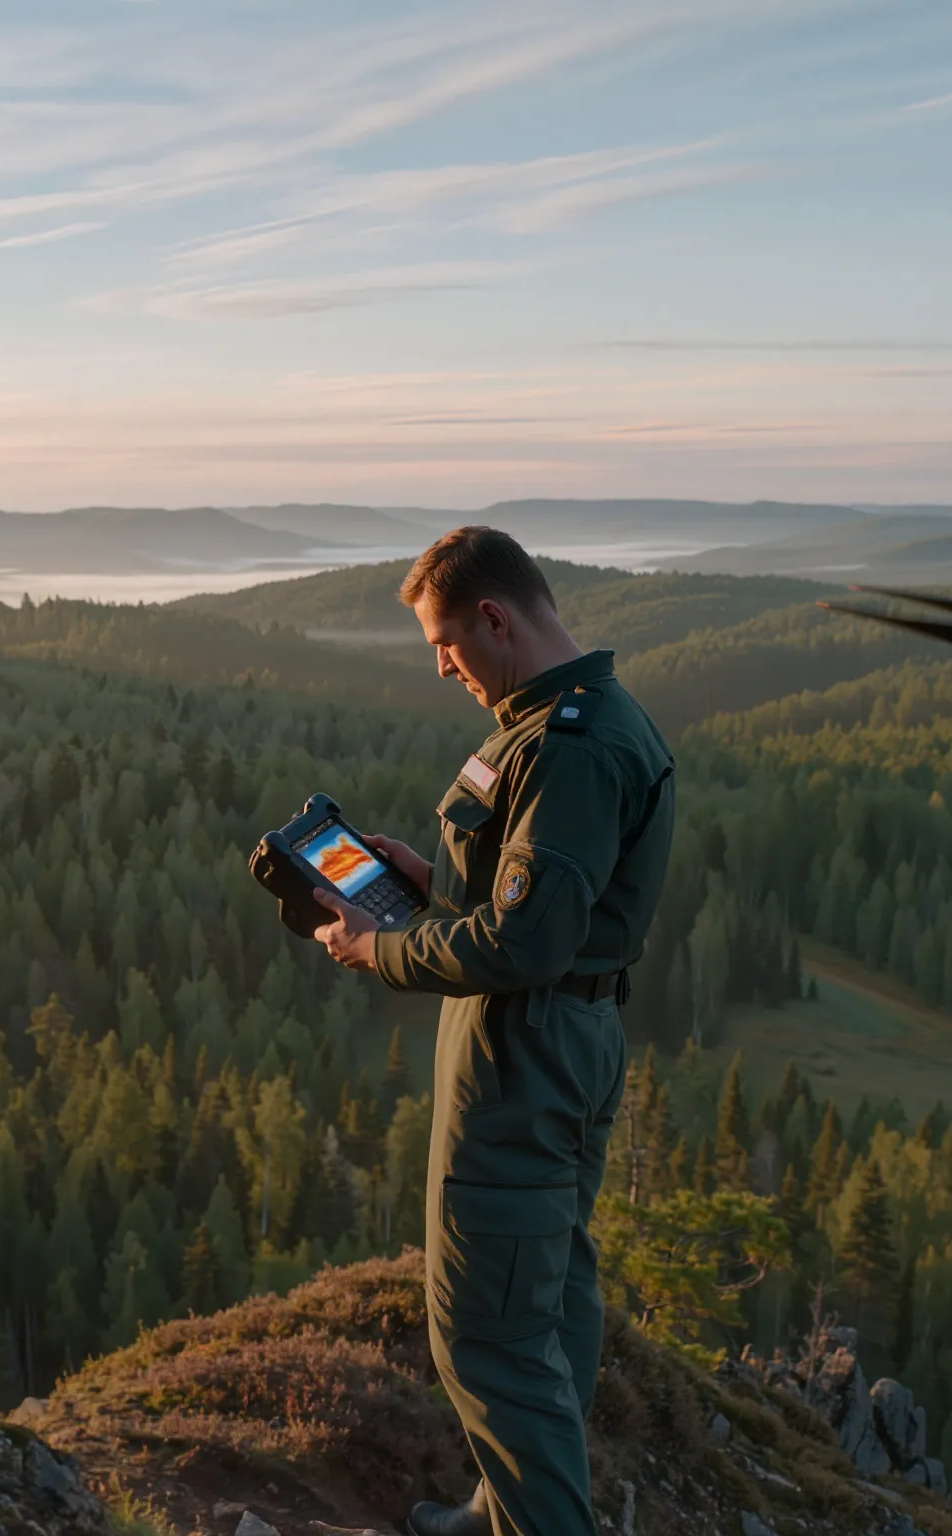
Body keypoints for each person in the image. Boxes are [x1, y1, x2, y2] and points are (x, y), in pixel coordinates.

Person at [308, 526, 676, 1536]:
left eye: (446, 643)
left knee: (490, 1336)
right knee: (545, 1296)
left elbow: (524, 947)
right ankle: (499, 1508)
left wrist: (379, 952)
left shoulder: (569, 745)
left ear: (494, 617)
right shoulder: (571, 718)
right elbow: (544, 900)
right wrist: (436, 885)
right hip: (562, 1043)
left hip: (523, 1056)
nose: (440, 665)